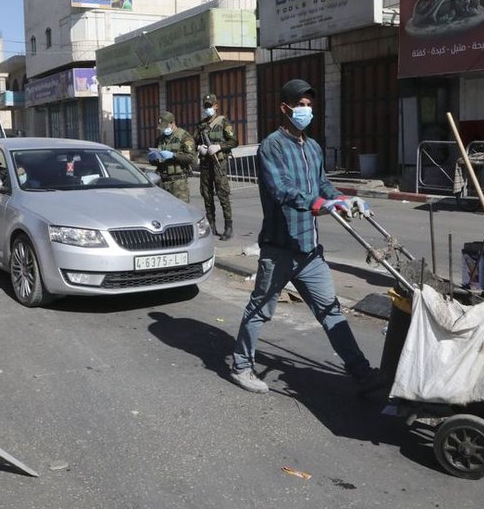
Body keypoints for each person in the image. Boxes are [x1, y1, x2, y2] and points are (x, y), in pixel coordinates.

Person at [228, 78, 382, 395]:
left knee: (331, 312)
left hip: (309, 250)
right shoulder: (271, 146)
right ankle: (241, 366)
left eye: (309, 105)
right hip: (279, 248)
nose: (306, 110)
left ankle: (361, 372)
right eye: (300, 105)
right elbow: (282, 190)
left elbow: (323, 185)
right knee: (261, 310)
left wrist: (344, 200)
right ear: (285, 109)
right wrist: (319, 204)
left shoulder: (312, 147)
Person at [195, 93, 238, 240]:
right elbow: (195, 142)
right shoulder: (201, 125)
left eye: (210, 106)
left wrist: (219, 146)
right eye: (205, 106)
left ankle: (228, 226)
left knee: (222, 195)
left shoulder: (223, 122)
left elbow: (233, 141)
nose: (207, 108)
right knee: (207, 195)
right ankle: (211, 226)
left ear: (216, 106)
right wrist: (200, 147)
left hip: (219, 163)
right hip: (206, 164)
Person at [147, 111, 196, 202]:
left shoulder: (184, 136)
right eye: (162, 127)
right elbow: (155, 161)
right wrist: (152, 158)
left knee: (182, 212)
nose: (163, 129)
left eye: (165, 127)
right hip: (162, 181)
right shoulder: (160, 139)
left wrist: (173, 155)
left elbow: (192, 158)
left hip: (178, 183)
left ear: (172, 123)